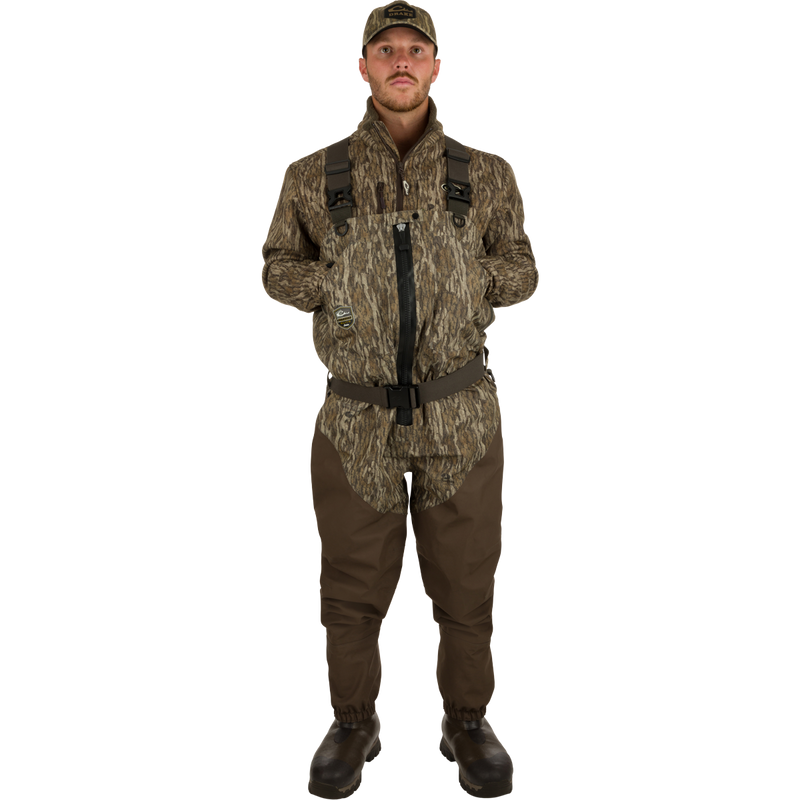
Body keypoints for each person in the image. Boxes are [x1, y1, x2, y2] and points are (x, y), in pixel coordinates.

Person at [259, 3, 540, 798]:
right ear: (364, 66)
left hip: (462, 412)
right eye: (386, 50)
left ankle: (468, 723)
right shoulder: (312, 174)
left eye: (417, 49)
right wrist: (335, 288)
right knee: (350, 589)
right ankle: (353, 725)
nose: (402, 61)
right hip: (354, 416)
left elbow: (524, 269)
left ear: (437, 66)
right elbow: (276, 267)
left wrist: (471, 277)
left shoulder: (487, 173)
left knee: (466, 585)